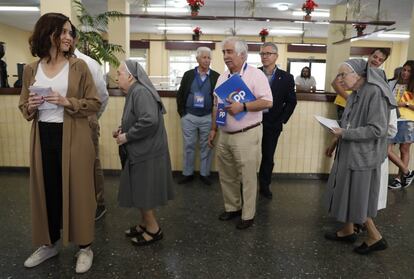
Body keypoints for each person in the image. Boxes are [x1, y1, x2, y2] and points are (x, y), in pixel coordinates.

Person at [18, 13, 101, 273]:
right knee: (48, 192)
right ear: (48, 34)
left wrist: (69, 102)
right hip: (43, 135)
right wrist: (30, 106)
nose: (68, 37)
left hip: (74, 135)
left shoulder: (79, 67)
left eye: (69, 32)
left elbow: (95, 103)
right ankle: (50, 243)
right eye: (63, 32)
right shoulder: (32, 69)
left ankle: (85, 247)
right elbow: (23, 106)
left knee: (78, 192)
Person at [324, 59, 396, 255]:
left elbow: (377, 130)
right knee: (347, 191)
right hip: (350, 152)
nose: (339, 80)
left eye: (342, 75)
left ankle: (375, 237)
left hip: (363, 157)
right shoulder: (357, 92)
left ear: (358, 75)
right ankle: (348, 230)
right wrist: (334, 142)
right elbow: (348, 124)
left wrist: (344, 135)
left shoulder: (374, 93)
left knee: (358, 196)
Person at [208, 37, 273, 230]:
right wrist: (214, 129)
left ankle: (248, 214)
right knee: (227, 175)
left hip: (247, 133)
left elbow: (268, 102)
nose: (225, 56)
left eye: (229, 52)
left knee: (247, 176)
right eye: (224, 52)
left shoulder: (255, 75)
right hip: (225, 134)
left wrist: (243, 106)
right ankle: (233, 207)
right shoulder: (223, 77)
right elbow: (217, 105)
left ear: (242, 54)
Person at [114, 60, 174, 246]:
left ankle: (154, 230)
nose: (117, 78)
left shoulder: (139, 91)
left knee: (143, 192)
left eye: (119, 74)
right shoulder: (135, 91)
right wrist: (122, 128)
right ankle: (143, 224)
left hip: (146, 152)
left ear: (130, 76)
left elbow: (149, 121)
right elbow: (138, 117)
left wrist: (127, 136)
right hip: (142, 150)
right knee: (139, 190)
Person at [71, 25, 109, 219]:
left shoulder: (89, 64)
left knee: (92, 162)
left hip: (87, 119)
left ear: (75, 39)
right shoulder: (54, 64)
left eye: (67, 34)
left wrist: (93, 118)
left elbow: (102, 96)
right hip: (64, 122)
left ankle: (98, 202)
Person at [176, 47, 220, 186]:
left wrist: (214, 121)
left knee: (206, 146)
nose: (207, 60)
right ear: (197, 59)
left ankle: (204, 174)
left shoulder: (215, 76)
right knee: (189, 146)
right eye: (204, 57)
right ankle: (187, 173)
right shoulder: (188, 74)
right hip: (189, 117)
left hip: (207, 117)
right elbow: (181, 94)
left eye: (209, 58)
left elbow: (219, 99)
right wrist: (183, 114)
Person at [258, 42, 296, 199]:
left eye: (268, 53)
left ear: (276, 56)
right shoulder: (253, 73)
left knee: (268, 156)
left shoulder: (286, 78)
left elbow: (291, 101)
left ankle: (265, 185)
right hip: (251, 122)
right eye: (262, 54)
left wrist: (282, 119)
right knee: (249, 156)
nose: (265, 56)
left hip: (273, 123)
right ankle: (246, 184)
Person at [333, 48, 389, 120]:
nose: (376, 61)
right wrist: (350, 99)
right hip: (344, 104)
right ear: (369, 56)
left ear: (382, 63)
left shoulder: (378, 75)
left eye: (380, 60)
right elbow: (335, 83)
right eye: (375, 57)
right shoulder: (356, 65)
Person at [387, 60, 414, 189]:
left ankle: (399, 179)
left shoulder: (413, 86)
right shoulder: (392, 83)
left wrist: (406, 104)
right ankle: (407, 172)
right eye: (404, 69)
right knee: (386, 149)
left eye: (409, 71)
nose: (405, 73)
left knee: (404, 149)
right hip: (392, 119)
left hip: (408, 121)